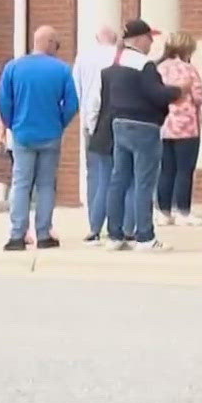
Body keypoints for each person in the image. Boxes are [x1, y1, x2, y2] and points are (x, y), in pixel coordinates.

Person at [100, 19, 181, 251]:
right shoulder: (143, 64)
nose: (151, 42)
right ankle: (145, 235)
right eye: (148, 37)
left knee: (119, 180)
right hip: (144, 126)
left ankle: (115, 235)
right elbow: (156, 94)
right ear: (137, 39)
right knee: (144, 182)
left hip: (119, 124)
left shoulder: (113, 62)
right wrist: (177, 91)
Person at [0, 25, 78, 250]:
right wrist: (59, 123)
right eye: (57, 44)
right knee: (46, 185)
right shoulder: (61, 70)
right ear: (50, 42)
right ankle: (43, 234)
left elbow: (3, 103)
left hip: (23, 134)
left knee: (21, 184)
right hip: (50, 133)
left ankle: (17, 235)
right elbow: (72, 104)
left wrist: (12, 125)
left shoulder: (13, 67)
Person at [150, 31, 202, 229]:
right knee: (184, 170)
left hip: (164, 125)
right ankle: (183, 211)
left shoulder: (158, 68)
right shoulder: (189, 70)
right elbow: (199, 97)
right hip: (188, 127)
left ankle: (163, 211)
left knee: (166, 170)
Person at [71, 24, 119, 243]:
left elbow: (76, 90)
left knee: (95, 174)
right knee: (116, 174)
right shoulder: (119, 57)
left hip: (91, 121)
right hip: (115, 118)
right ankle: (115, 223)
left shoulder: (84, 57)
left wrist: (86, 120)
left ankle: (94, 224)